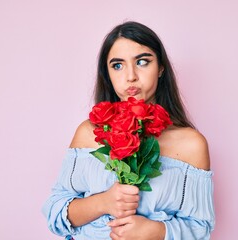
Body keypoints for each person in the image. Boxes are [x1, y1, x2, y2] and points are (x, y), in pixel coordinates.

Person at [42, 21, 215, 240]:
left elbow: (201, 229)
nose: (130, 76)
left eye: (142, 62)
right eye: (117, 65)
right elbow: (55, 211)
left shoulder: (192, 145)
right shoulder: (88, 133)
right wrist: (103, 202)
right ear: (108, 74)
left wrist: (156, 232)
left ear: (161, 68)